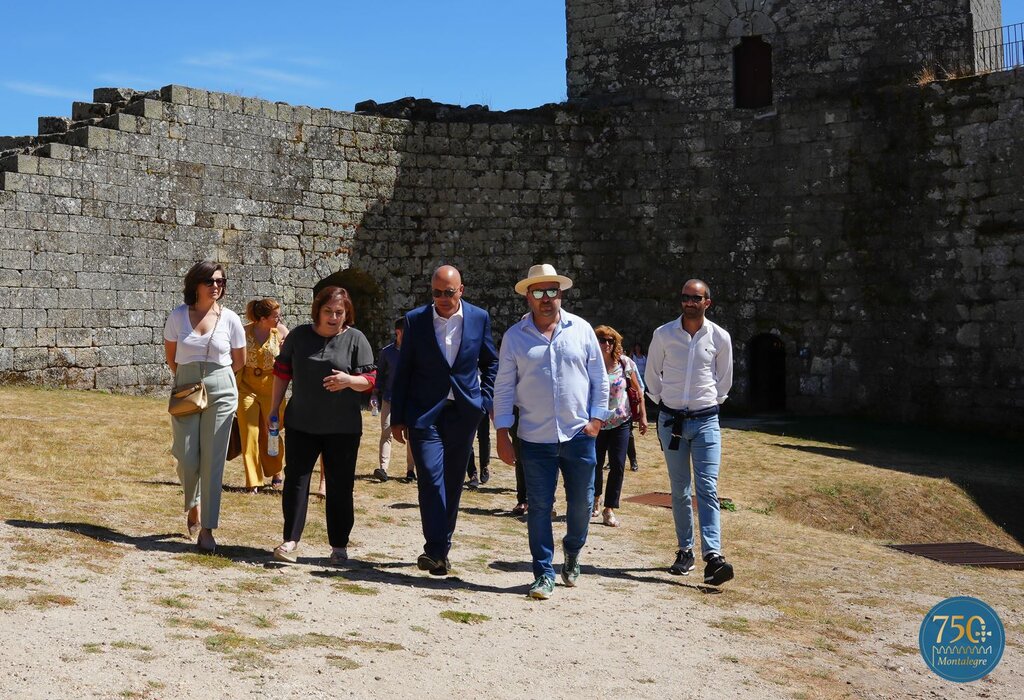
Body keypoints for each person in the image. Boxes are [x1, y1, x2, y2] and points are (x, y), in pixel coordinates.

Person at [494, 263, 609, 600]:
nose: (546, 299)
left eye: (552, 291)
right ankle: (543, 572)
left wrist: (597, 419)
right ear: (528, 296)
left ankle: (573, 550)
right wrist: (502, 431)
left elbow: (599, 379)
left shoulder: (582, 330)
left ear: (561, 294)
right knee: (539, 507)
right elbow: (503, 387)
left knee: (582, 504)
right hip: (534, 437)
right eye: (539, 292)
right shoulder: (515, 337)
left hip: (578, 434)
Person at [390, 265, 498, 576]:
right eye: (436, 293)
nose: (442, 298)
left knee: (452, 483)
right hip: (425, 414)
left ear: (461, 290)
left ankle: (439, 550)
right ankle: (435, 547)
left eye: (448, 293)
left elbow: (491, 363)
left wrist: (484, 400)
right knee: (430, 479)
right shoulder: (416, 320)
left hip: (464, 413)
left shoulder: (479, 318)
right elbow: (404, 371)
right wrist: (398, 416)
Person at [269, 286, 376, 565]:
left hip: (343, 427)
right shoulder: (299, 336)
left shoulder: (356, 339)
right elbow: (281, 373)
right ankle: (290, 540)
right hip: (301, 423)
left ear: (347, 313)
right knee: (296, 482)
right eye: (328, 311)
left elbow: (372, 380)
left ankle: (339, 546)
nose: (333, 317)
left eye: (339, 312)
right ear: (318, 311)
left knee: (340, 487)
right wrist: (273, 409)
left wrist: (349, 381)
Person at [645, 278, 735, 586]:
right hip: (672, 422)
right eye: (685, 297)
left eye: (695, 298)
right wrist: (665, 403)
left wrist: (706, 402)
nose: (689, 302)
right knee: (680, 489)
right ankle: (685, 551)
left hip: (706, 420)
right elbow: (651, 376)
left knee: (707, 488)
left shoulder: (720, 337)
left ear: (707, 302)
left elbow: (724, 380)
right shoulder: (664, 334)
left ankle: (713, 556)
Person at [163, 260, 246, 553]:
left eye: (221, 282)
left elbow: (239, 361)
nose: (216, 287)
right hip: (186, 385)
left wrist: (215, 380)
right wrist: (190, 378)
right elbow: (172, 358)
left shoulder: (232, 319)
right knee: (186, 455)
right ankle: (193, 503)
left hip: (222, 387)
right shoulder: (178, 316)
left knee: (213, 460)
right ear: (195, 284)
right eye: (211, 281)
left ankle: (208, 529)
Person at [592, 325, 647, 527]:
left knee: (617, 465)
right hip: (596, 422)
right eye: (602, 340)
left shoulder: (625, 363)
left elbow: (638, 390)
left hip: (621, 421)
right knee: (594, 464)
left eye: (610, 340)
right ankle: (595, 498)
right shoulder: (590, 363)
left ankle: (609, 508)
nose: (606, 344)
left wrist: (643, 417)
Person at [236, 298, 289, 493]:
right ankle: (253, 481)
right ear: (262, 318)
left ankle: (276, 470)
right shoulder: (243, 332)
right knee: (249, 434)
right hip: (246, 388)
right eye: (275, 316)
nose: (279, 319)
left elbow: (289, 359)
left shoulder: (282, 332)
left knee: (271, 433)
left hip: (272, 390)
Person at [371, 318, 415, 483]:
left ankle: (410, 471)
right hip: (390, 399)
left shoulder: (415, 352)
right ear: (398, 332)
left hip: (410, 400)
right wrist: (375, 395)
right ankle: (383, 469)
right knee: (386, 432)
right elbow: (380, 376)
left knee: (411, 435)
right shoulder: (386, 353)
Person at [627, 342, 648, 472]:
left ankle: (633, 461)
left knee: (628, 436)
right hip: (606, 412)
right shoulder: (600, 363)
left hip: (625, 408)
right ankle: (610, 462)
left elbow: (640, 386)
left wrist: (642, 412)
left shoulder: (628, 363)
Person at [465, 412, 491, 489]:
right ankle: (472, 474)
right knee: (468, 439)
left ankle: (484, 466)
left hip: (483, 404)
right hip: (468, 406)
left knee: (484, 437)